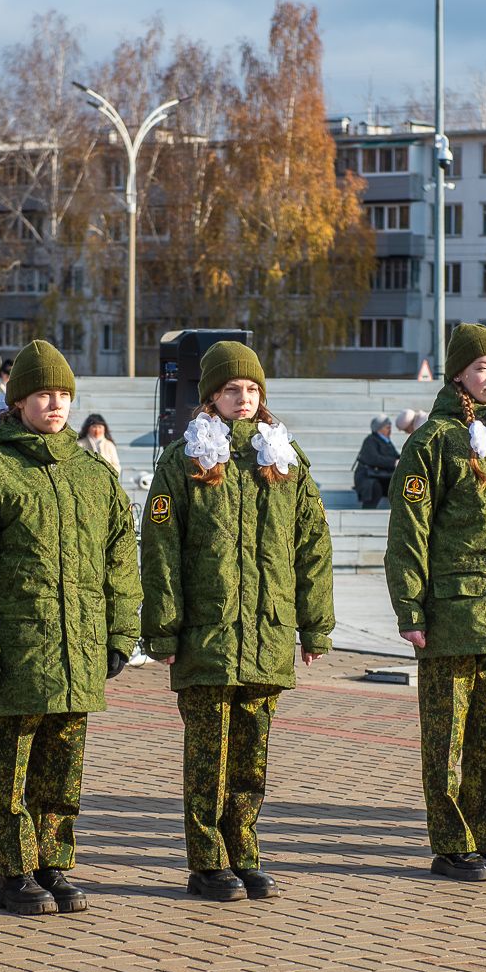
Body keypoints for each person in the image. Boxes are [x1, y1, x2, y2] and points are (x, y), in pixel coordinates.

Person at [0, 339, 140, 916]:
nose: (55, 405)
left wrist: (121, 633)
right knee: (9, 767)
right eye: (43, 395)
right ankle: (12, 871)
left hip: (78, 649)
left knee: (62, 768)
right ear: (18, 401)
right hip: (17, 650)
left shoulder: (93, 475)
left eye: (63, 395)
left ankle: (53, 862)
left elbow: (120, 559)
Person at [142, 340, 334, 901]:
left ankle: (244, 850)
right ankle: (206, 861)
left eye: (252, 389)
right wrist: (163, 628)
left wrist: (314, 624)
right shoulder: (185, 460)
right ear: (211, 396)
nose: (243, 398)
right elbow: (160, 551)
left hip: (267, 632)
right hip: (207, 634)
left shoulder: (285, 457)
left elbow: (312, 545)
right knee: (208, 753)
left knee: (252, 752)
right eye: (232, 390)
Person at [385, 323, 486, 882]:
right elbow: (409, 535)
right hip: (453, 617)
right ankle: (452, 844)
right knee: (447, 742)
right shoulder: (433, 442)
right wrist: (411, 611)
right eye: (482, 368)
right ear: (458, 372)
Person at [352, 416, 400, 508]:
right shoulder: (370, 440)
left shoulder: (387, 441)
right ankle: (367, 512)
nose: (390, 430)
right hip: (367, 475)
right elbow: (374, 458)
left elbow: (395, 455)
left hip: (382, 475)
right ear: (379, 429)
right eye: (387, 428)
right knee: (374, 487)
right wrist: (393, 462)